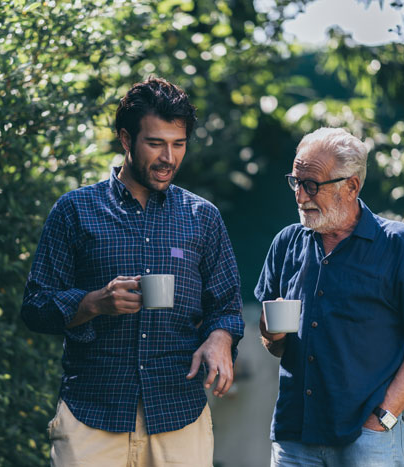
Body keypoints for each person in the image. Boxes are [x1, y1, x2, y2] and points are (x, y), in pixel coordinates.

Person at [21, 77, 244, 466]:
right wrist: (94, 303)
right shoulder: (75, 211)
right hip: (92, 414)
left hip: (178, 413)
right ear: (126, 139)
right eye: (155, 143)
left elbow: (226, 305)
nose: (168, 157)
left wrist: (221, 338)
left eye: (179, 144)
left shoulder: (202, 218)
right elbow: (35, 307)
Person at [255, 127, 404, 466]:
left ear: (351, 186)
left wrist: (384, 419)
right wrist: (272, 334)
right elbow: (274, 344)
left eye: (311, 184)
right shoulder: (286, 243)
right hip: (294, 435)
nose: (300, 196)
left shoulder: (396, 243)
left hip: (366, 438)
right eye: (295, 182)